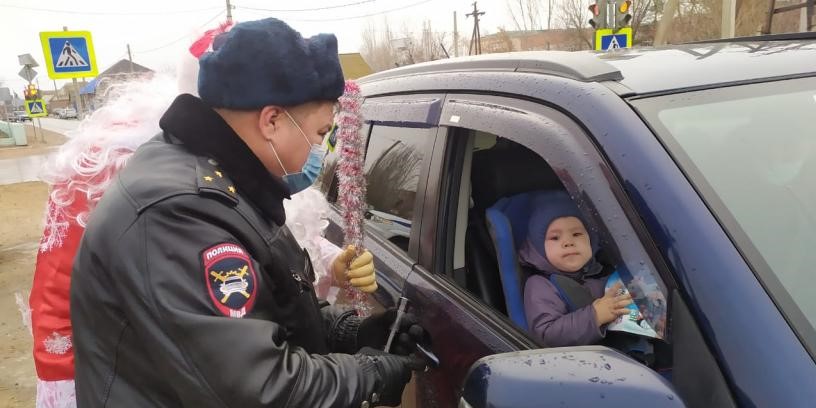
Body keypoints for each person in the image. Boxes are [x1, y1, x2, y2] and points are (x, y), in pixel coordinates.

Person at [70, 17, 426, 408]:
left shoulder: (222, 180)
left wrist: (351, 332)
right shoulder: (180, 213)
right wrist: (371, 375)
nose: (320, 150)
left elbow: (268, 305)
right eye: (321, 133)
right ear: (272, 120)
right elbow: (257, 388)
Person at [520, 190, 632, 347]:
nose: (568, 242)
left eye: (577, 234)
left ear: (591, 241)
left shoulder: (605, 271)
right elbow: (546, 336)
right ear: (539, 249)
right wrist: (595, 316)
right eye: (555, 237)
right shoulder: (541, 285)